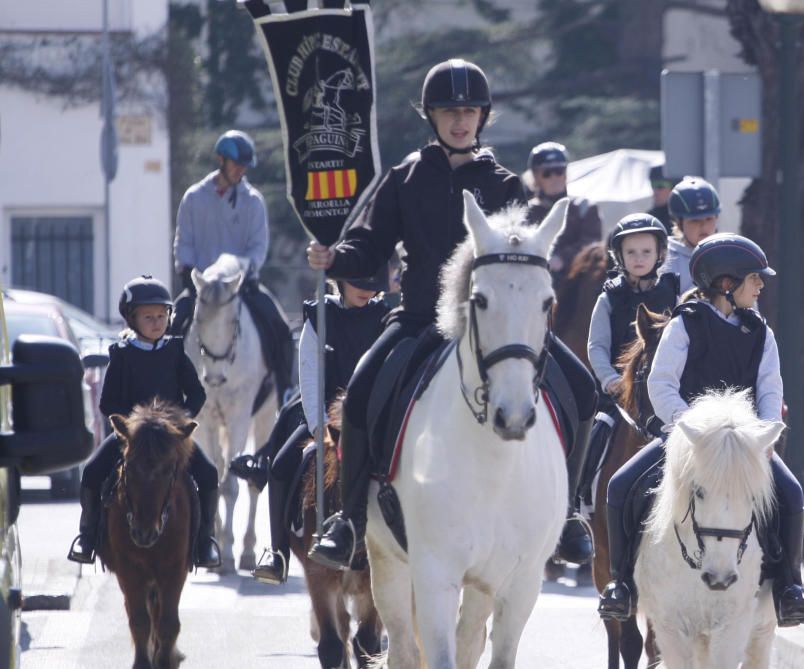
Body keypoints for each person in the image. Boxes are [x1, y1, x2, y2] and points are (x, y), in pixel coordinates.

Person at [304, 58, 598, 571]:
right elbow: (370, 245)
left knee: (584, 389)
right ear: (432, 116)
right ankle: (348, 520)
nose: (459, 120)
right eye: (448, 111)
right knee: (361, 391)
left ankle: (569, 512)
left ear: (481, 117)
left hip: (494, 328)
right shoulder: (404, 177)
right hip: (420, 319)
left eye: (468, 111)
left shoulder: (506, 184)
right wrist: (335, 259)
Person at [597, 234, 804, 629]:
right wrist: (692, 431)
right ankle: (621, 584)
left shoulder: (761, 332)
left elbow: (770, 389)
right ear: (727, 284)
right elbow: (660, 384)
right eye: (755, 278)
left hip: (744, 446)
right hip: (688, 440)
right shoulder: (686, 323)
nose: (761, 285)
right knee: (620, 485)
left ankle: (789, 587)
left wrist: (763, 438)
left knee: (792, 493)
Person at [234, 275, 389, 584]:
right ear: (340, 279)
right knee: (279, 468)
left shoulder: (385, 319)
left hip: (371, 421)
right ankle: (277, 552)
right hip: (321, 415)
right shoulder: (319, 317)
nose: (366, 286)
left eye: (373, 279)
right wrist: (319, 426)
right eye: (359, 278)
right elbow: (309, 375)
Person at [67, 276, 221, 568]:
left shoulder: (175, 351)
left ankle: (205, 541)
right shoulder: (122, 354)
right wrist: (130, 429)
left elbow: (197, 395)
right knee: (92, 470)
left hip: (171, 439)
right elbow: (108, 402)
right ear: (132, 318)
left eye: (162, 316)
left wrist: (178, 426)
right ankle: (86, 537)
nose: (157, 322)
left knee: (209, 472)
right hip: (132, 438)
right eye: (149, 317)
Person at [171, 129, 295, 404]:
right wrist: (188, 272)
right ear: (220, 160)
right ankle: (167, 391)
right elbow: (184, 241)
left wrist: (243, 271)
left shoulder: (253, 201)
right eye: (236, 164)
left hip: (240, 285)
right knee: (171, 326)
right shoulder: (194, 197)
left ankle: (285, 388)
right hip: (201, 286)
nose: (241, 171)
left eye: (244, 167)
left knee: (280, 328)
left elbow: (258, 247)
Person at [581, 214, 679, 513]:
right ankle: (580, 497)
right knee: (596, 431)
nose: (639, 258)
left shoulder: (674, 293)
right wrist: (609, 379)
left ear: (660, 253)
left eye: (646, 252)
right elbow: (596, 345)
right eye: (631, 252)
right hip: (620, 396)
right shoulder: (609, 298)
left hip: (663, 391)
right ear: (619, 256)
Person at [525, 142, 603, 288]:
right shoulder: (526, 212)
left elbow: (592, 243)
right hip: (534, 282)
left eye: (559, 171)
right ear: (535, 177)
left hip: (577, 284)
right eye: (547, 173)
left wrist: (562, 258)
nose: (555, 177)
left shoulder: (585, 207)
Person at [662, 176, 720, 293]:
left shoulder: (729, 255)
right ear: (679, 223)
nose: (703, 226)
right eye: (695, 220)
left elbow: (749, 308)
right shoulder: (664, 261)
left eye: (709, 219)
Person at [646, 164, 674, 229]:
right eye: (652, 185)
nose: (655, 191)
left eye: (660, 186)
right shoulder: (648, 219)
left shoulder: (683, 218)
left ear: (673, 188)